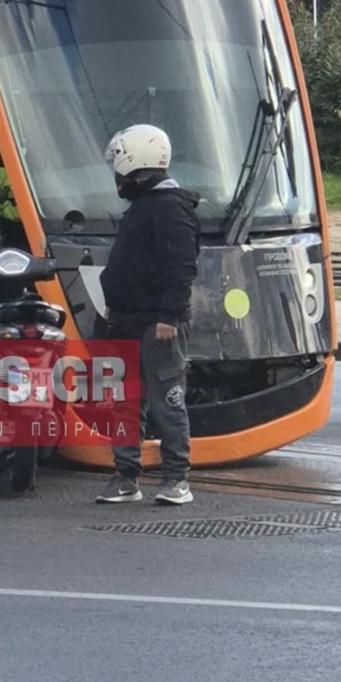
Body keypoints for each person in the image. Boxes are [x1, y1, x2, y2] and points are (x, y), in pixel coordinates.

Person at [95, 124, 200, 507]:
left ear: (133, 162)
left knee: (166, 399)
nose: (118, 178)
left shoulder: (171, 208)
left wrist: (169, 317)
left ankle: (177, 479)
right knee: (125, 400)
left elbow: (181, 268)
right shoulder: (145, 206)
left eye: (120, 168)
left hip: (157, 322)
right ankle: (126, 478)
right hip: (129, 318)